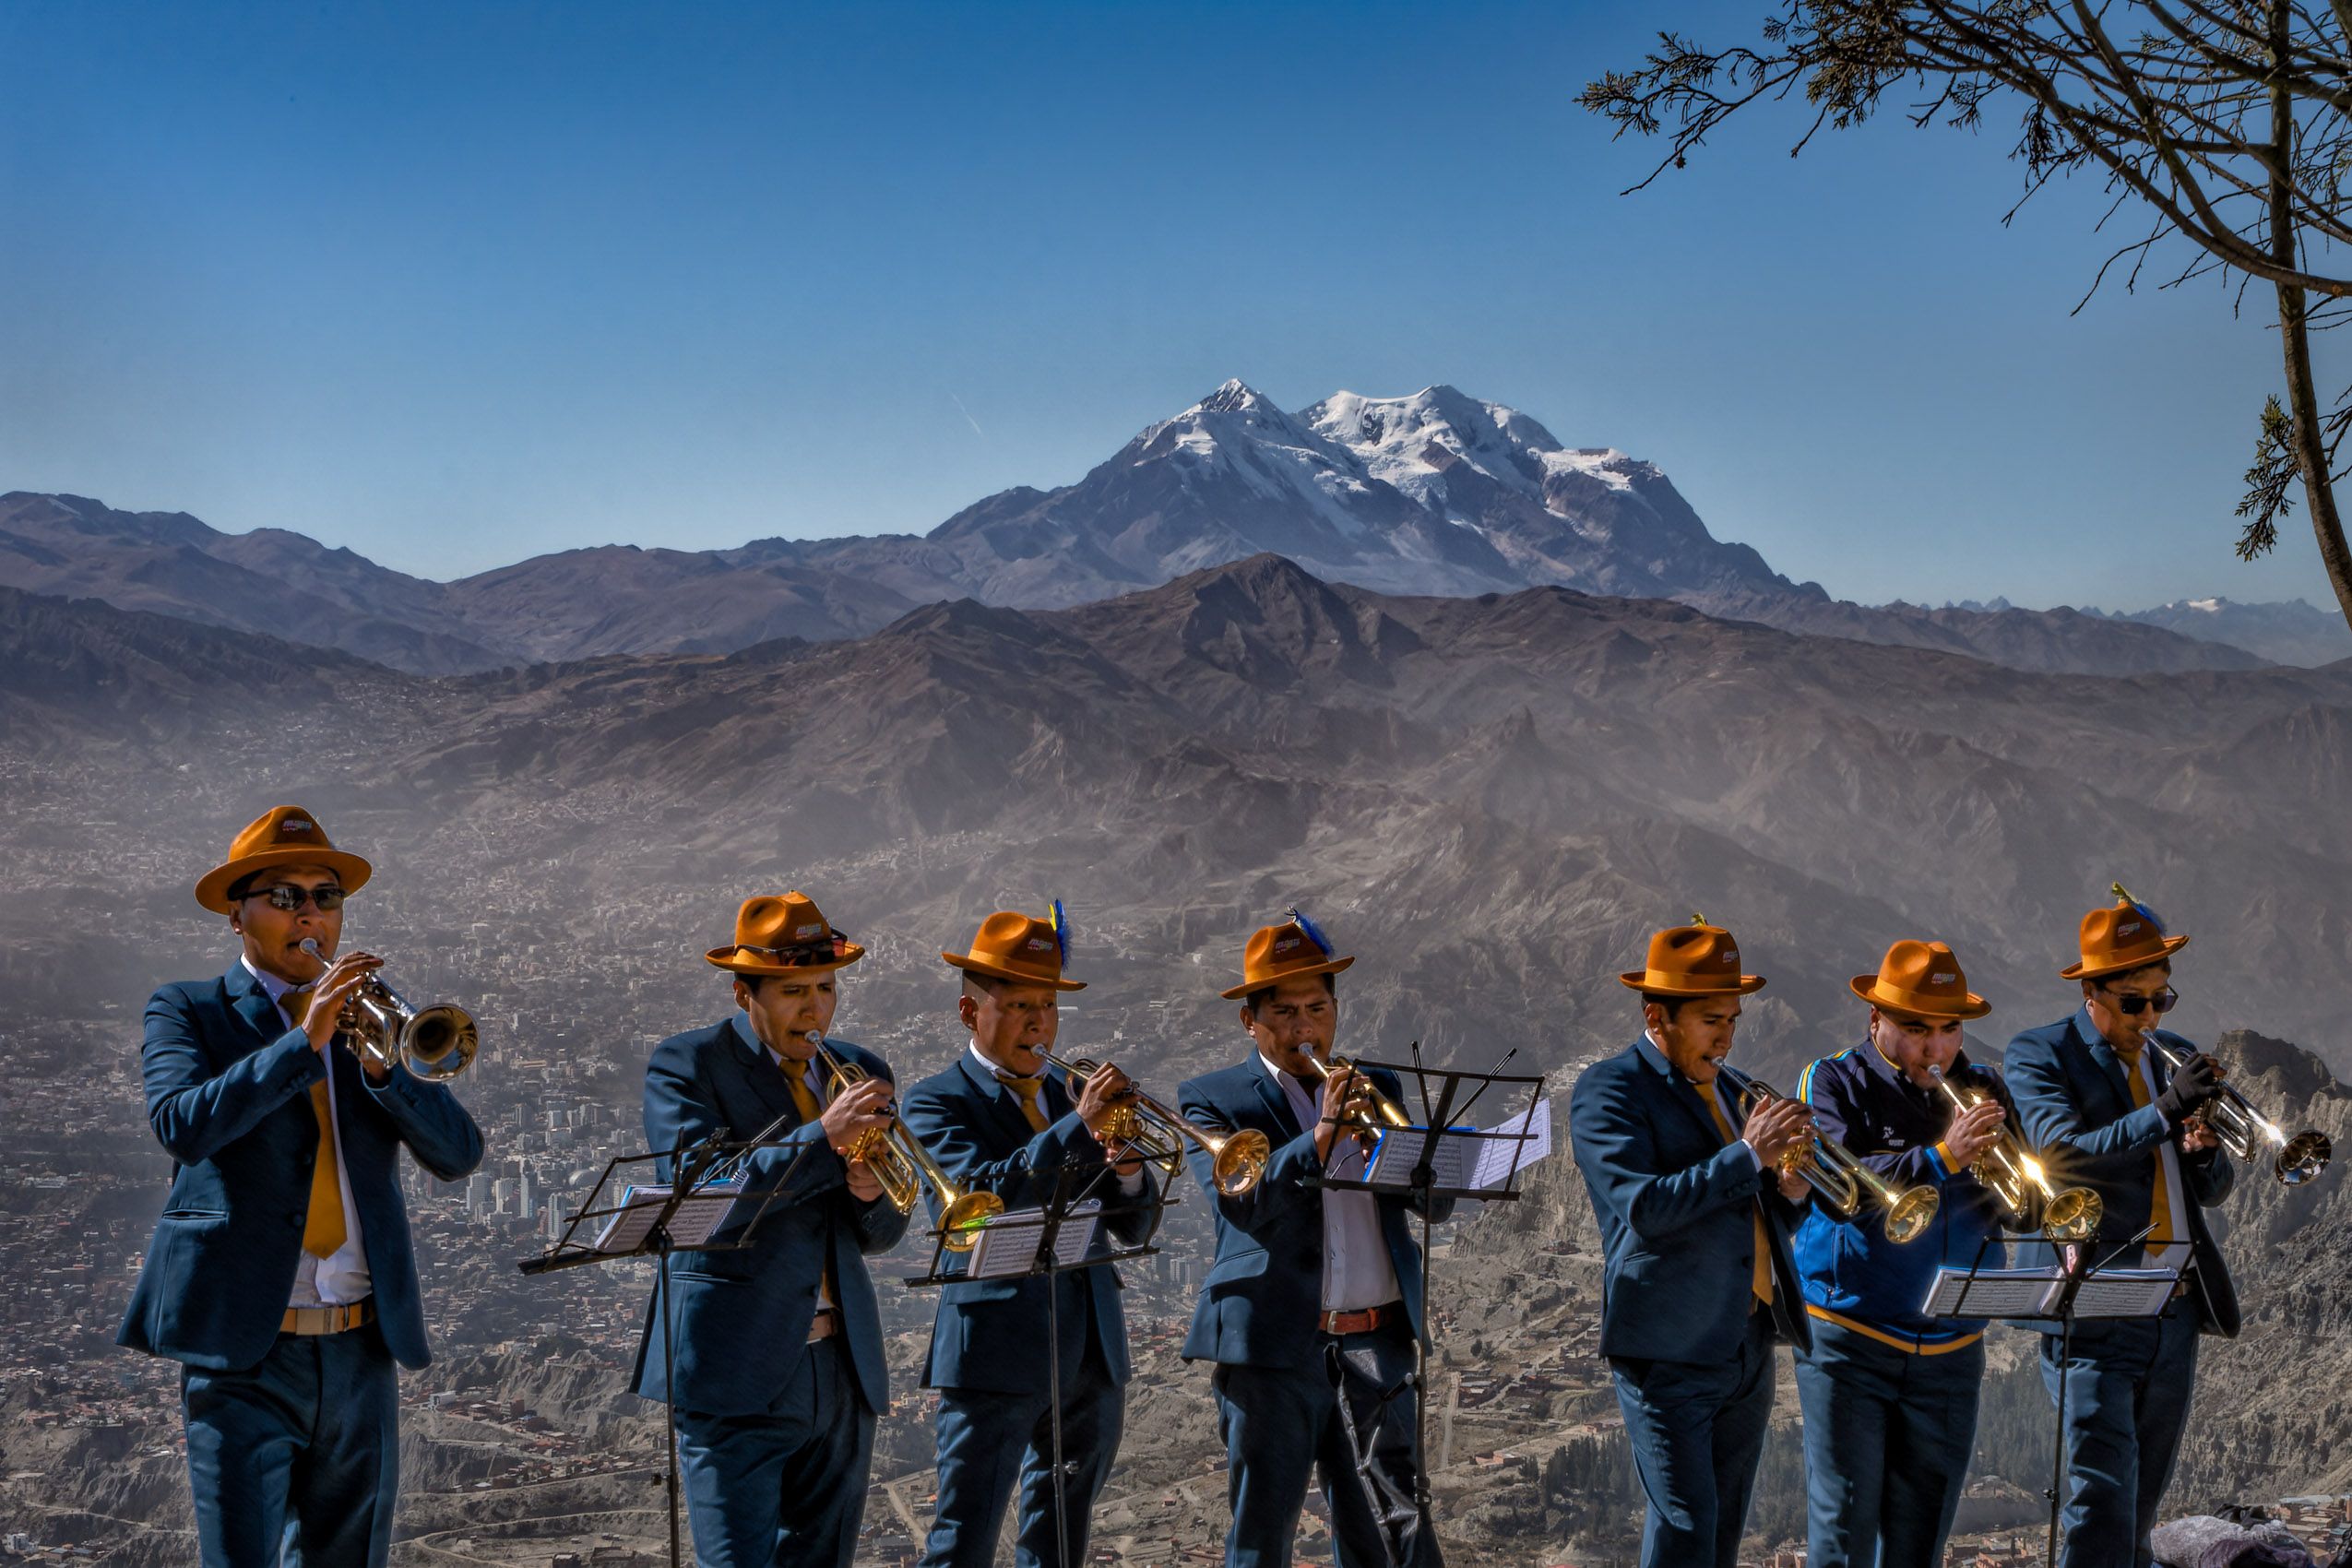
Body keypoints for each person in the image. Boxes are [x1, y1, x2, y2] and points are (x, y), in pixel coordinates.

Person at [118, 804, 485, 1567]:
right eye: (285, 898)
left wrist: (385, 1070)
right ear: (237, 914)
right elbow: (182, 1125)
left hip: (360, 1355)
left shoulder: (370, 1026)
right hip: (244, 1356)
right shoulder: (188, 1009)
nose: (311, 915)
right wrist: (300, 1043)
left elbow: (458, 1155)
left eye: (327, 897)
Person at [632, 892, 908, 1568]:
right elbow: (704, 1195)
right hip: (735, 1369)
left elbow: (879, 1234)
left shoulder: (861, 1069)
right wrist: (824, 1139)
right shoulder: (687, 1065)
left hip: (841, 1371)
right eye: (792, 992)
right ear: (741, 992)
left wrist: (872, 1193)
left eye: (825, 988)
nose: (814, 1010)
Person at [1177, 911, 1451, 1568]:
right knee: (1262, 1535)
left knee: (1394, 1530)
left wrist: (1420, 1160)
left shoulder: (1376, 1086)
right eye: (1286, 1013)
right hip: (1272, 1349)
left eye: (1319, 1008)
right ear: (1252, 1022)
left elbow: (1434, 1205)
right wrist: (1321, 1137)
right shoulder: (1211, 1099)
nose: (1306, 1027)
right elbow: (1242, 1207)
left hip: (1376, 1336)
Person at [898, 908, 1157, 1568]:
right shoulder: (935, 1101)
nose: (1038, 1022)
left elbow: (1136, 1224)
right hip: (992, 1349)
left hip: (1091, 1350)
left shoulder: (1072, 1093)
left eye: (1046, 1005)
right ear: (969, 1012)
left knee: (1063, 1542)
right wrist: (1078, 1128)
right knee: (965, 1539)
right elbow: (977, 1198)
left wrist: (1128, 1168)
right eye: (1017, 1006)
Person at [1567, 918, 1813, 1568]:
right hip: (1667, 1346)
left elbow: (1748, 1222)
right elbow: (1644, 1208)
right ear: (1658, 1015)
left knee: (1722, 1532)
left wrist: (1788, 1192)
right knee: (1685, 1528)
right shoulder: (1609, 1089)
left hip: (1747, 1340)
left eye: (1732, 1018)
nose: (1727, 1035)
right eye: (1711, 1020)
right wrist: (1747, 1155)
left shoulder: (1734, 1091)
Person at [2005, 888, 2238, 1568]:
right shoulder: (2039, 1054)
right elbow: (2061, 1152)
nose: (2150, 1016)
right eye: (2134, 1003)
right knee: (2100, 1502)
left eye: (2162, 1000)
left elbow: (2214, 1192)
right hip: (2097, 1303)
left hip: (2177, 1303)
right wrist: (2167, 1110)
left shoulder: (2172, 1052)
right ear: (2094, 995)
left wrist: (2204, 1151)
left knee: (2140, 1505)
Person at [1790, 940, 2015, 1568]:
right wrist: (1943, 1158)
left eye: (1950, 1030)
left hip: (1951, 1349)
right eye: (1917, 1029)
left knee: (1922, 1543)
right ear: (1875, 1020)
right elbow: (1840, 1185)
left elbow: (2017, 1202)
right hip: (1852, 1338)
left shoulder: (1982, 1084)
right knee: (1844, 1538)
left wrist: (2027, 1192)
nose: (1937, 1048)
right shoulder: (1833, 1078)